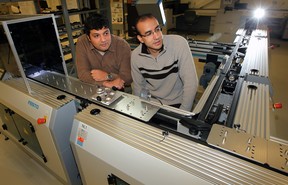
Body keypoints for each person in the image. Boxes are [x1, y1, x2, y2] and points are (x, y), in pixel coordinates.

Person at [131, 14, 198, 111]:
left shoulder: (179, 44)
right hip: (152, 103)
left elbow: (191, 83)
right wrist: (142, 109)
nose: (157, 36)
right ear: (140, 39)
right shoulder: (136, 56)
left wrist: (183, 112)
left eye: (157, 29)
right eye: (149, 33)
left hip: (178, 103)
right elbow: (138, 88)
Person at [76, 13, 132, 90]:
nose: (103, 40)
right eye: (96, 36)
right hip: (95, 89)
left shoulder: (122, 45)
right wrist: (106, 83)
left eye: (106, 33)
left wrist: (107, 76)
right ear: (88, 38)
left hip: (121, 91)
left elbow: (128, 78)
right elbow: (82, 73)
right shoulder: (82, 42)